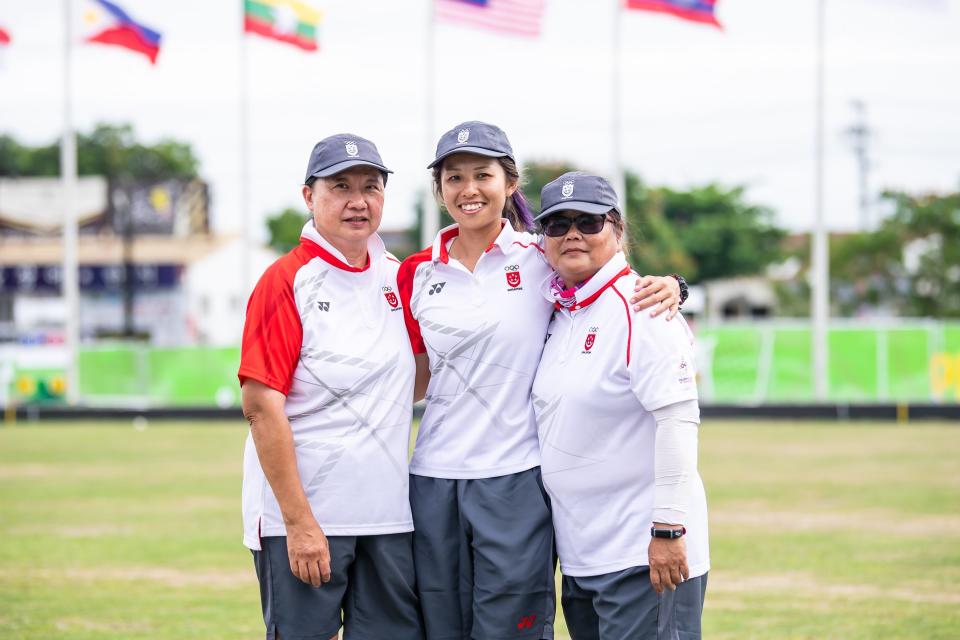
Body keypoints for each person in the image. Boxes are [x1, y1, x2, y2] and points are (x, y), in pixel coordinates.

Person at [397, 122, 685, 640]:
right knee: (439, 628)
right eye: (454, 177)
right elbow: (411, 376)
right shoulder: (416, 271)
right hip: (433, 478)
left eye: (482, 175)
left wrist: (674, 286)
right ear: (438, 190)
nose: (469, 189)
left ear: (509, 184)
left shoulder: (543, 254)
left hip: (515, 478)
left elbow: (614, 283)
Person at [238, 134, 423, 640]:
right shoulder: (285, 280)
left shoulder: (401, 277)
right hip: (302, 523)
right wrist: (298, 524)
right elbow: (260, 406)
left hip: (387, 519)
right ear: (308, 196)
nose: (358, 201)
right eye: (340, 187)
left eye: (371, 186)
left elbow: (419, 374)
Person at [530, 172, 709, 639]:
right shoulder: (559, 308)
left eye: (588, 222)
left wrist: (669, 529)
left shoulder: (642, 305)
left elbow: (677, 418)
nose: (572, 233)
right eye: (556, 224)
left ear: (617, 228)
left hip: (644, 552)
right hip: (584, 553)